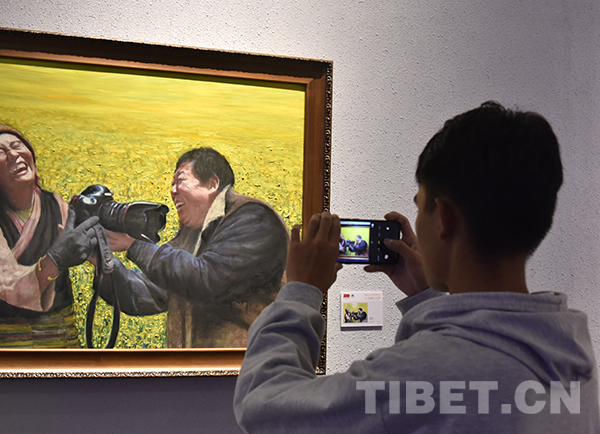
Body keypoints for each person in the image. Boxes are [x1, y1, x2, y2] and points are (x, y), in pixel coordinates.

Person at [233, 102, 599, 432]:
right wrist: (427, 297)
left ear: (445, 218)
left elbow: (263, 407)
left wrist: (301, 292)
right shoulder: (570, 355)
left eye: (421, 205)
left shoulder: (421, 374)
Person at [104, 147, 289, 348]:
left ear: (212, 184)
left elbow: (208, 279)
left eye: (180, 181)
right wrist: (101, 259)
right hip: (198, 364)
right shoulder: (191, 234)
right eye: (172, 184)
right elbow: (147, 293)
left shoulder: (253, 219)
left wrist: (134, 245)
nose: (173, 191)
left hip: (248, 362)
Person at [0, 123, 102, 348]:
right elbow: (7, 286)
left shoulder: (56, 205)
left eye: (17, 145)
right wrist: (57, 258)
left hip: (57, 339)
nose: (14, 154)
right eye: (0, 152)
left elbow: (94, 248)